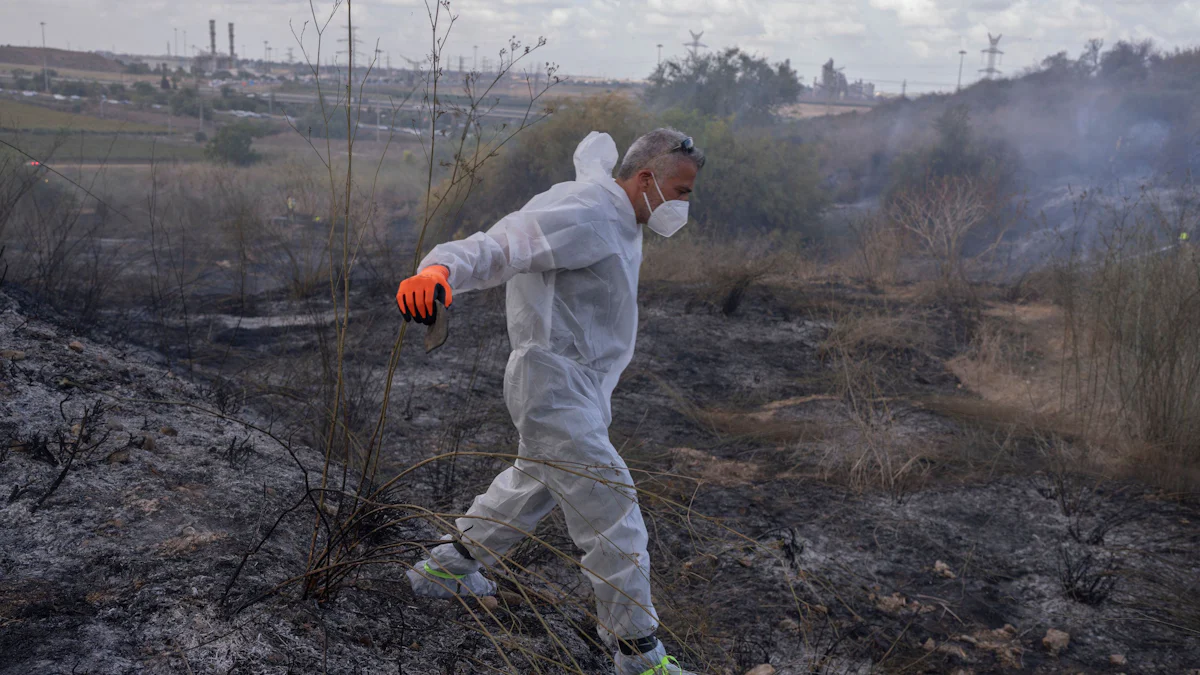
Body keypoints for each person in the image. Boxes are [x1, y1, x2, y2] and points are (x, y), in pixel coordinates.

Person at [395, 129, 704, 675]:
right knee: (613, 509)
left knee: (529, 485)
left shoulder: (621, 219)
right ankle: (638, 656)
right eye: (681, 190)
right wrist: (440, 268)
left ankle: (443, 570)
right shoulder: (586, 211)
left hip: (577, 388)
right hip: (553, 384)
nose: (684, 204)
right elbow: (504, 245)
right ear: (646, 179)